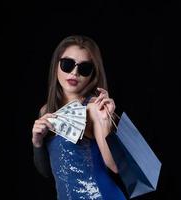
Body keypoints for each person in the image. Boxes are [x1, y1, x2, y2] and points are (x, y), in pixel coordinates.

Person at [32, 35, 126, 200]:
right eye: (67, 65)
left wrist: (104, 121)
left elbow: (115, 167)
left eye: (84, 68)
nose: (74, 73)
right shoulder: (46, 110)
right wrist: (37, 143)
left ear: (92, 74)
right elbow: (47, 172)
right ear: (56, 66)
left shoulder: (93, 108)